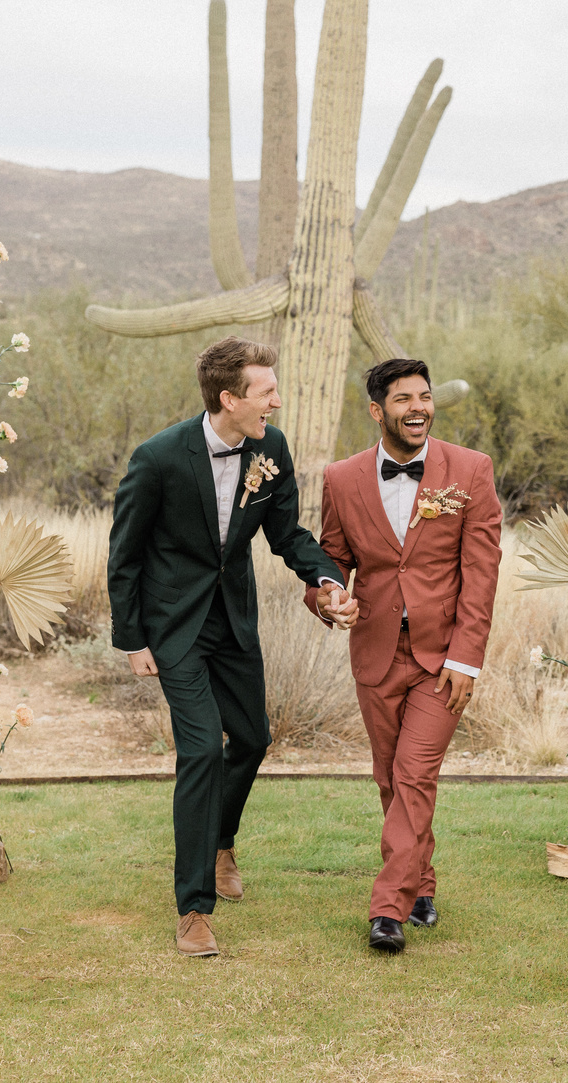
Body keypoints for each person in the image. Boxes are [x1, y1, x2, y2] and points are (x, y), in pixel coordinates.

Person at [109, 336, 358, 957]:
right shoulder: (159, 457)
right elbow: (125, 554)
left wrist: (326, 580)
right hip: (174, 627)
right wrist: (132, 638)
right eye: (266, 391)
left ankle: (222, 842)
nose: (277, 400)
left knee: (252, 739)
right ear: (229, 398)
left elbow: (287, 533)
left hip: (233, 622)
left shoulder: (269, 448)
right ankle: (194, 908)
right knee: (199, 750)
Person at [303, 358, 502, 954]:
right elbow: (330, 559)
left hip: (443, 659)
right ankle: (420, 886)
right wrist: (327, 595)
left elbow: (481, 573)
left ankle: (387, 909)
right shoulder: (340, 478)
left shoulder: (470, 470)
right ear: (377, 410)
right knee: (391, 778)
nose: (418, 407)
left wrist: (467, 658)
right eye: (403, 399)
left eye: (425, 396)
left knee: (415, 773)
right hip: (374, 654)